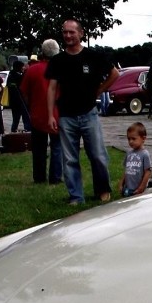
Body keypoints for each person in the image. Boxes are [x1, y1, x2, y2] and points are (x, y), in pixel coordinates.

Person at [46, 18, 118, 205]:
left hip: (89, 113)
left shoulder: (93, 56)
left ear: (81, 33)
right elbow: (52, 88)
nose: (68, 35)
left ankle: (102, 190)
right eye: (65, 32)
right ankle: (76, 196)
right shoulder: (58, 60)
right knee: (69, 159)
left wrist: (100, 89)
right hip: (66, 116)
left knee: (98, 155)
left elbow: (115, 74)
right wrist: (50, 115)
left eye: (72, 32)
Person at [19, 38, 62, 184]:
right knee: (57, 146)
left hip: (37, 114)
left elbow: (24, 92)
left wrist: (31, 105)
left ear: (42, 52)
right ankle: (55, 177)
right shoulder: (61, 70)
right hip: (57, 114)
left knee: (39, 148)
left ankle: (39, 177)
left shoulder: (32, 70)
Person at [117, 121, 152, 197]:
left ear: (143, 138)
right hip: (127, 188)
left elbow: (147, 172)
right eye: (128, 139)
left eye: (133, 139)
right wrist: (121, 183)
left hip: (137, 189)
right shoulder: (129, 153)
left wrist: (141, 187)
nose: (130, 141)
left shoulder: (145, 154)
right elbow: (127, 170)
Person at [6, 60, 30, 132]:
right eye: (22, 66)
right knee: (25, 116)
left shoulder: (10, 75)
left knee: (15, 118)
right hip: (21, 100)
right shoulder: (20, 76)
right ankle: (27, 129)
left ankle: (13, 130)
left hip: (13, 101)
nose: (23, 68)